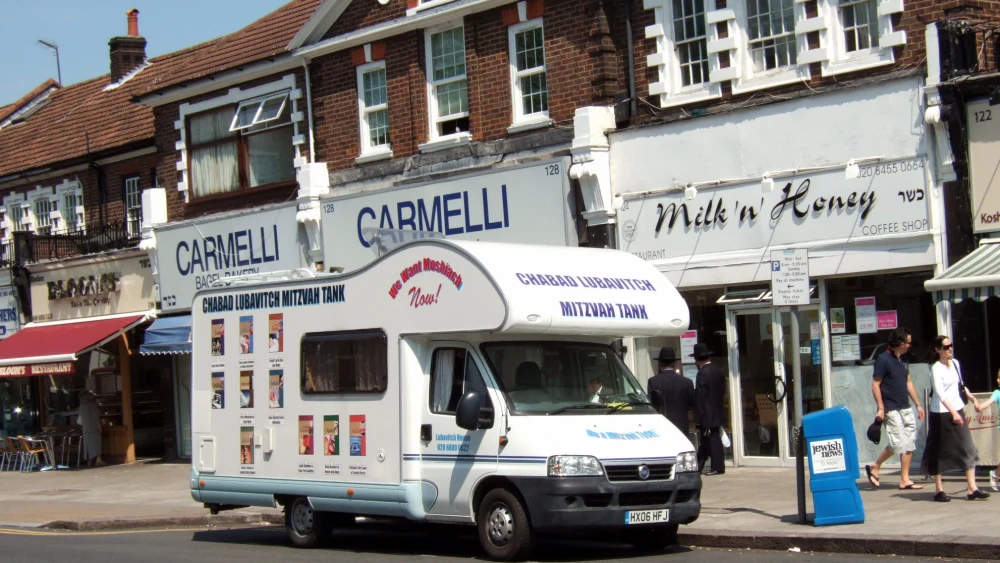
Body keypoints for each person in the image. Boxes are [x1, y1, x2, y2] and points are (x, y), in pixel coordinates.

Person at [923, 336, 989, 501]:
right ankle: (938, 490)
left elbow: (961, 385)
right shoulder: (936, 368)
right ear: (938, 350)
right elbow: (940, 393)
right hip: (941, 413)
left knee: (968, 446)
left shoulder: (955, 363)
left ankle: (972, 488)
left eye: (951, 345)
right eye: (946, 347)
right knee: (938, 449)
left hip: (957, 408)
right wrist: (953, 412)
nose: (950, 349)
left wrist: (972, 398)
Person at [865, 328, 925, 490]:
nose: (910, 345)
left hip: (905, 406)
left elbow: (908, 382)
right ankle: (876, 466)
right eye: (909, 342)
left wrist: (918, 404)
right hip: (891, 408)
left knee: (909, 443)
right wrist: (881, 408)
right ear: (901, 343)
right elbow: (875, 384)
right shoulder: (883, 359)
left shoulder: (903, 359)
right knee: (898, 443)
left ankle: (905, 479)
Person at [693, 343, 726, 475]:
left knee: (712, 440)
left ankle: (717, 466)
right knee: (708, 440)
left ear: (697, 360)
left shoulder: (702, 373)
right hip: (717, 410)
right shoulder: (717, 371)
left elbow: (700, 396)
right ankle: (698, 466)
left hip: (707, 413)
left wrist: (698, 417)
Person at [647, 347, 694, 434]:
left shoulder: (653, 382)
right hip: (681, 427)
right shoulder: (687, 382)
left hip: (662, 426)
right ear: (675, 364)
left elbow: (651, 405)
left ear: (660, 364)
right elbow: (691, 404)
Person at [974, 369, 1000, 490]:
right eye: (998, 378)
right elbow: (989, 402)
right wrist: (980, 407)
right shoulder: (997, 393)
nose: (998, 380)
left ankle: (997, 473)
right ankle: (996, 473)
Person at [77, 390, 104, 467]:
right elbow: (96, 418)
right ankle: (98, 460)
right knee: (96, 444)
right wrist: (100, 427)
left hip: (85, 428)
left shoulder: (81, 407)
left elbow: (80, 420)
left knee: (88, 445)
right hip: (93, 428)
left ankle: (89, 461)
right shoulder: (92, 406)